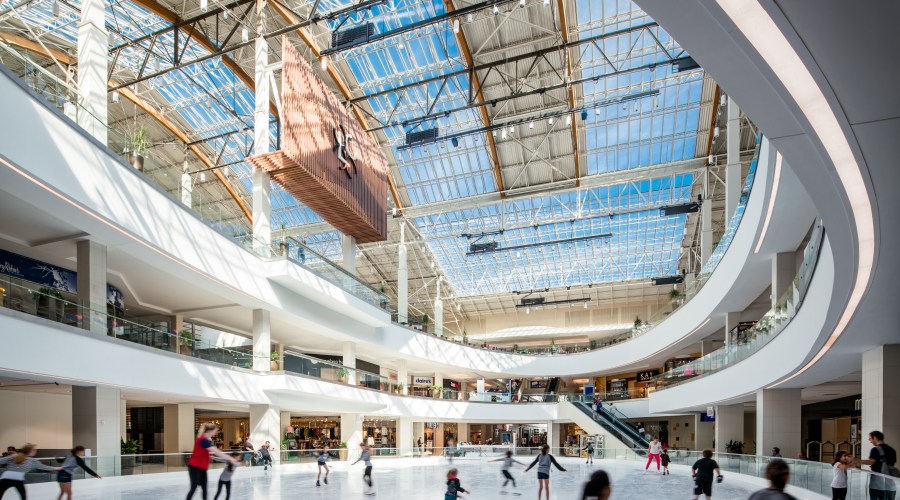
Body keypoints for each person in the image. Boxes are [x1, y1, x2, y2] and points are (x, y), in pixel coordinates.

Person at [187, 423, 239, 500]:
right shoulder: (203, 440)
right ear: (209, 431)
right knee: (194, 488)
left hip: (202, 468)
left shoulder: (206, 440)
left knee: (204, 488)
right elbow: (217, 452)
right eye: (214, 431)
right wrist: (230, 458)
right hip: (195, 467)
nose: (215, 433)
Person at [858, 430, 897, 500]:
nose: (870, 440)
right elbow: (891, 464)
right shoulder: (892, 450)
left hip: (877, 483)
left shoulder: (875, 449)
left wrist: (857, 461)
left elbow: (871, 462)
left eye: (870, 438)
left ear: (875, 437)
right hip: (890, 482)